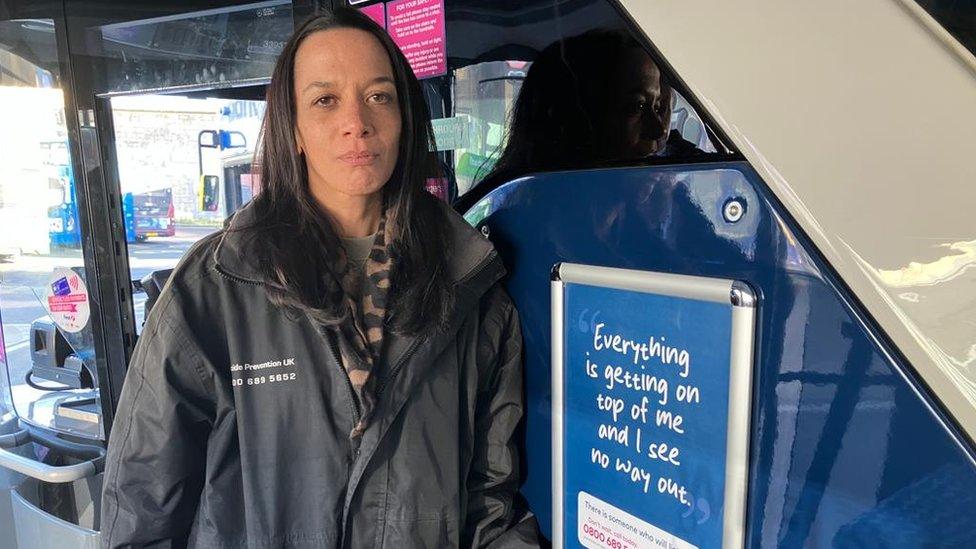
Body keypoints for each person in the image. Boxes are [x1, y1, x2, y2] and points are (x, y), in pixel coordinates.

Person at [101, 9, 540, 548]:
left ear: (405, 116)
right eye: (325, 100)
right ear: (295, 129)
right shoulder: (218, 287)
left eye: (379, 95)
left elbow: (489, 499)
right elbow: (144, 504)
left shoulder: (466, 282)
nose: (356, 121)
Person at [456, 29, 704, 213]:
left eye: (658, 106)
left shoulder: (646, 220)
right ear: (576, 122)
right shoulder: (515, 237)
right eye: (636, 106)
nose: (658, 129)